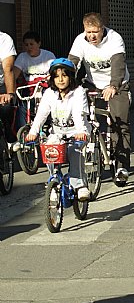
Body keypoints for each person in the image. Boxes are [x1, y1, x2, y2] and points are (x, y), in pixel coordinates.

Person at [68, 12, 131, 186]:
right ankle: (90, 151)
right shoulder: (80, 40)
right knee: (82, 116)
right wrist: (65, 79)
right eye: (88, 32)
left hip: (117, 84)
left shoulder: (114, 39)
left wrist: (113, 85)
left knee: (119, 122)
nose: (92, 36)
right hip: (92, 83)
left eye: (95, 32)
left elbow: (118, 65)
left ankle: (121, 166)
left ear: (102, 29)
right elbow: (73, 62)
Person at [25, 58, 91, 201]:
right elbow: (41, 114)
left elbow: (78, 113)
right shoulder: (49, 93)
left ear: (71, 77)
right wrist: (33, 132)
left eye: (64, 75)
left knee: (75, 150)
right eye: (56, 76)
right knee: (49, 149)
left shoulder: (78, 92)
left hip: (77, 132)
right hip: (58, 133)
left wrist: (81, 132)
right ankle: (54, 181)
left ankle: (79, 185)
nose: (60, 80)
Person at [13, 30, 55, 128]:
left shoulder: (48, 56)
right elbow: (15, 73)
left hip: (44, 88)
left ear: (39, 43)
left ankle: (48, 125)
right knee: (22, 107)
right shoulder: (22, 57)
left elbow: (54, 73)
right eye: (26, 45)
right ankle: (23, 130)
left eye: (32, 44)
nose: (29, 47)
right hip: (29, 88)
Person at [0, 30, 17, 144]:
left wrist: (10, 94)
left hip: (2, 84)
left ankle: (7, 130)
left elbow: (8, 68)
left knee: (6, 108)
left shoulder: (4, 39)